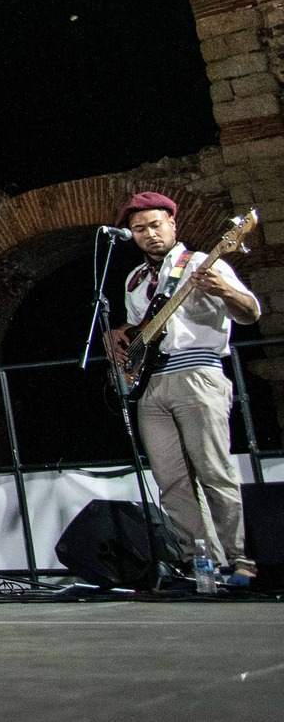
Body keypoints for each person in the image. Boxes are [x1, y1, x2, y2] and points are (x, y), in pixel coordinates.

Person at [105, 192, 262, 587]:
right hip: (152, 385)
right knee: (171, 479)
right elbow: (142, 330)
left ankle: (242, 560)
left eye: (155, 225)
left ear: (173, 224)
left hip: (197, 374)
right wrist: (120, 336)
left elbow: (250, 311)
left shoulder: (205, 264)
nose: (148, 234)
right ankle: (200, 562)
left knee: (213, 470)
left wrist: (223, 290)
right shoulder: (135, 279)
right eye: (139, 229)